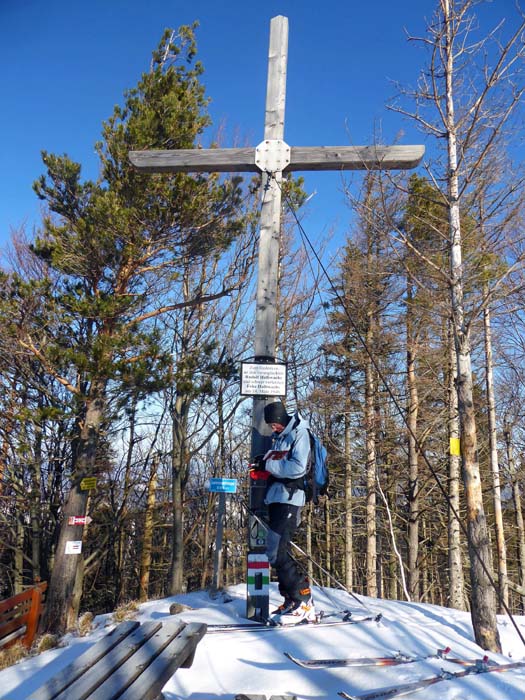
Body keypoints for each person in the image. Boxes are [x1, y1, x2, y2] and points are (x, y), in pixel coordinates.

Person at [258, 400, 316, 621]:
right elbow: (277, 464)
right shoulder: (282, 436)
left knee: (277, 552)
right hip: (277, 498)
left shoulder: (300, 434)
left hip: (290, 499)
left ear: (281, 419)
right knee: (275, 552)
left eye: (274, 424)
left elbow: (298, 467)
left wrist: (269, 466)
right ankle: (292, 599)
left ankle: (303, 599)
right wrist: (262, 463)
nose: (273, 428)